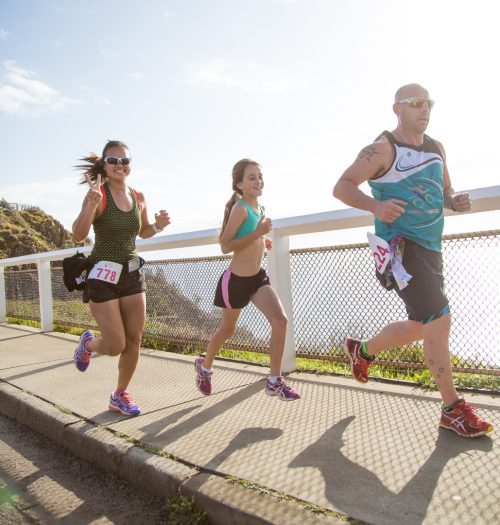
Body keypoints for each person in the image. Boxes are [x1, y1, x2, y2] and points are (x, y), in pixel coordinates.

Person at [333, 84, 493, 438]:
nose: (425, 109)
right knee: (440, 319)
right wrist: (375, 206)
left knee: (424, 325)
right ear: (397, 109)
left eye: (429, 103)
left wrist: (455, 200)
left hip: (432, 248)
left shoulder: (437, 148)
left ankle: (362, 351)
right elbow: (342, 186)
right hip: (401, 249)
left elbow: (445, 190)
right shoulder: (380, 149)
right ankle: (452, 409)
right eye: (417, 103)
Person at [72, 140, 170, 416]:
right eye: (113, 160)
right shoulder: (98, 194)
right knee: (115, 346)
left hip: (131, 273)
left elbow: (143, 232)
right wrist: (90, 205)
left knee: (134, 338)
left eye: (125, 160)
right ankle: (88, 344)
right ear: (104, 164)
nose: (120, 165)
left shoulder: (138, 196)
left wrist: (158, 226)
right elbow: (78, 234)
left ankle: (119, 395)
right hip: (102, 276)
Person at [194, 159, 300, 401]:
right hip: (235, 282)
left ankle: (274, 380)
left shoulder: (260, 208)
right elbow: (225, 245)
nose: (258, 181)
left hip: (256, 279)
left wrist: (262, 243)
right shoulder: (240, 208)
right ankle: (205, 366)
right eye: (252, 177)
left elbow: (251, 239)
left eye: (260, 176)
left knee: (280, 321)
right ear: (239, 185)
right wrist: (258, 234)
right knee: (227, 330)